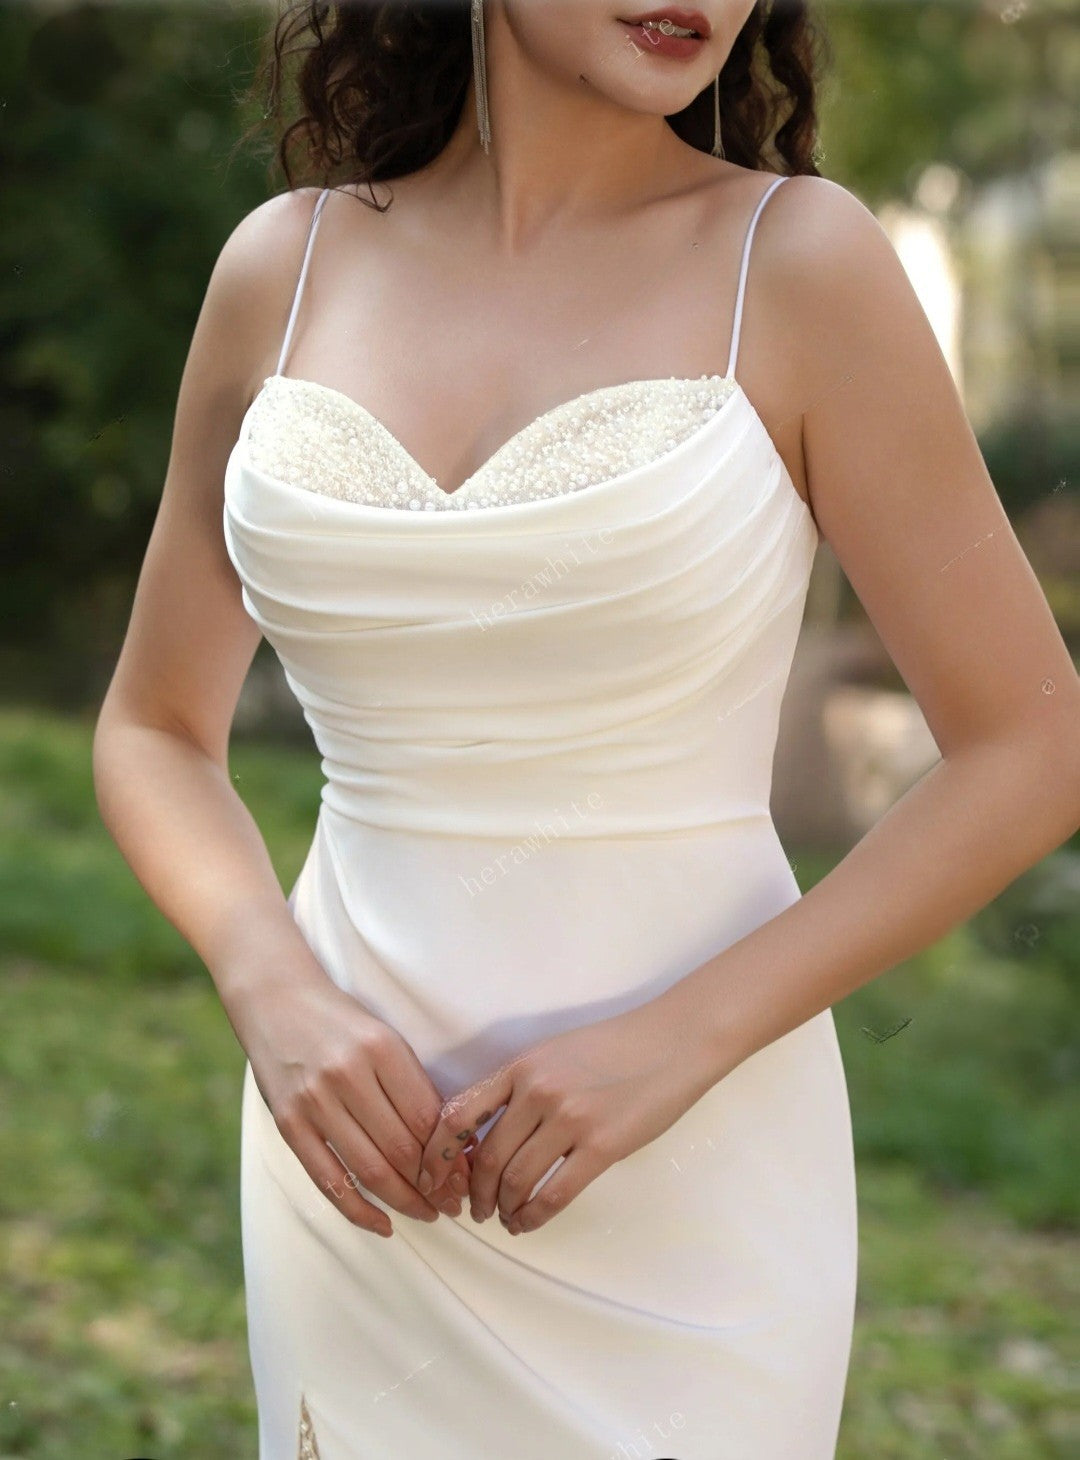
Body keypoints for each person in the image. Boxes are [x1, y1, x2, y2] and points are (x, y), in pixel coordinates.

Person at [92, 3, 1080, 1457]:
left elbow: (1032, 742)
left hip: (688, 1169)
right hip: (354, 1160)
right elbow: (152, 725)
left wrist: (680, 1044)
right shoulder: (281, 268)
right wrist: (270, 987)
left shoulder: (796, 265)